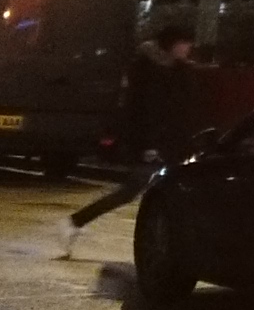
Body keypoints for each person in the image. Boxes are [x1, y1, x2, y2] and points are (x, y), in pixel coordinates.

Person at [66, 22, 201, 246]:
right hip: (153, 144)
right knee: (132, 190)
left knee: (176, 194)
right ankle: (76, 221)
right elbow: (140, 110)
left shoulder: (182, 70)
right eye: (184, 43)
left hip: (175, 142)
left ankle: (177, 242)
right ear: (171, 44)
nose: (188, 48)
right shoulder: (145, 68)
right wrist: (148, 145)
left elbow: (186, 109)